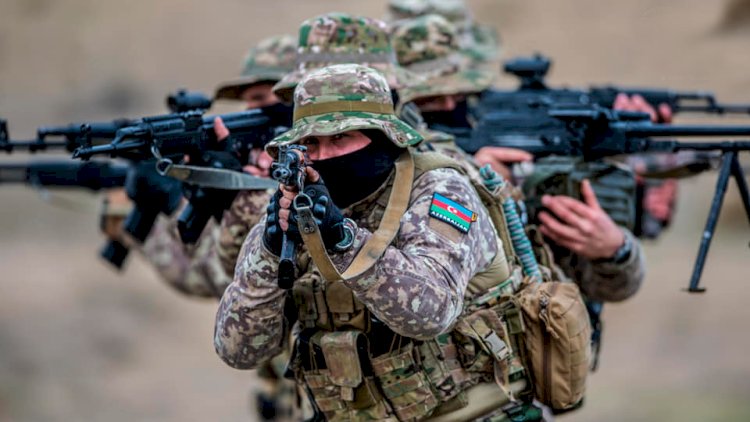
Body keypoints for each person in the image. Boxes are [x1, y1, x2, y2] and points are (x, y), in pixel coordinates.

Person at [215, 63, 543, 421]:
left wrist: (341, 238)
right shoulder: (294, 203)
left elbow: (431, 312)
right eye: (311, 143)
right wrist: (270, 250)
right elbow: (239, 350)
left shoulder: (439, 189)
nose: (324, 156)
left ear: (382, 136)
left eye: (341, 138)